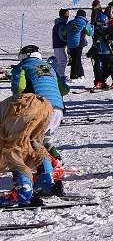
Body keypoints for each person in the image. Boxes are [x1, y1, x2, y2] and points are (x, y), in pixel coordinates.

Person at [5, 45, 66, 204]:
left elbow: (18, 88)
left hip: (37, 108)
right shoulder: (49, 67)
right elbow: (64, 89)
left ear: (23, 56)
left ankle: (25, 186)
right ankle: (48, 177)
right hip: (58, 109)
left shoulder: (22, 66)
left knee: (22, 143)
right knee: (41, 144)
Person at [65, 9, 92, 80]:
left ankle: (81, 74)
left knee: (76, 59)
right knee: (76, 60)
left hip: (70, 44)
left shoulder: (71, 22)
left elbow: (64, 32)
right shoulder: (85, 22)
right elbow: (90, 33)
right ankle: (74, 76)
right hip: (78, 43)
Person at [50, 9, 70, 83]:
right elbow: (61, 35)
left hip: (59, 45)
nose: (68, 16)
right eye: (66, 14)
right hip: (59, 45)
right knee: (62, 60)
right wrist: (67, 40)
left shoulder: (60, 23)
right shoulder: (61, 24)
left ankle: (58, 74)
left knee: (60, 60)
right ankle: (60, 76)